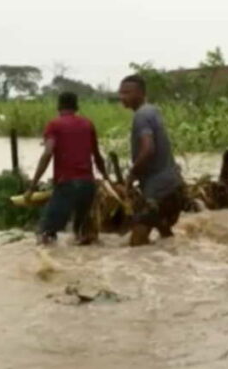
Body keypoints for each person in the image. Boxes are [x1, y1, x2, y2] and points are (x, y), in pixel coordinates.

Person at [25, 92, 110, 245]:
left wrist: (32, 186)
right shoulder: (88, 124)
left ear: (59, 106)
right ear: (76, 107)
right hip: (87, 186)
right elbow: (97, 156)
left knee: (44, 234)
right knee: (84, 236)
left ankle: (52, 265)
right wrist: (107, 178)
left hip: (67, 185)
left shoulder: (54, 125)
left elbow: (47, 154)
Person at [119, 74, 185, 246]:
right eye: (121, 93)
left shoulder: (141, 116)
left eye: (127, 93)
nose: (122, 97)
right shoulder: (152, 110)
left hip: (158, 189)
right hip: (172, 184)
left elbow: (148, 149)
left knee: (137, 243)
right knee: (164, 233)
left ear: (140, 93)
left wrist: (132, 174)